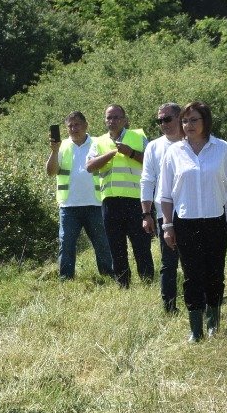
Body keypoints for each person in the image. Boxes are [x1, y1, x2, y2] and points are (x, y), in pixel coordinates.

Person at [159, 102, 227, 341]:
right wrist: (167, 226)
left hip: (216, 222)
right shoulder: (173, 152)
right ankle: (195, 329)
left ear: (205, 121)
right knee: (191, 276)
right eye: (185, 121)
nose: (188, 125)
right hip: (185, 223)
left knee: (215, 274)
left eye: (194, 120)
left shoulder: (222, 149)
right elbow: (165, 195)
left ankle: (213, 322)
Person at [87, 104, 153, 288]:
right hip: (110, 203)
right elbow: (89, 166)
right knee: (116, 246)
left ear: (124, 120)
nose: (112, 121)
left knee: (141, 245)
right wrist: (110, 154)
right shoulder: (98, 142)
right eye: (109, 117)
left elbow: (151, 161)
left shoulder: (138, 137)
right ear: (104, 120)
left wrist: (130, 152)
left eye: (116, 117)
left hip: (136, 201)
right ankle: (123, 283)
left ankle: (147, 281)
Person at [45, 110, 115, 281]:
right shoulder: (61, 147)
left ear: (85, 125)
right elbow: (50, 172)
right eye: (70, 126)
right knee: (66, 244)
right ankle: (66, 279)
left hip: (96, 203)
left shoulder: (98, 143)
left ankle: (108, 275)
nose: (73, 128)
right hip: (69, 205)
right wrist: (54, 151)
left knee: (102, 243)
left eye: (77, 124)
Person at [140, 102, 186, 313]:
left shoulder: (192, 141)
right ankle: (169, 307)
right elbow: (147, 180)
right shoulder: (154, 147)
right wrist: (146, 213)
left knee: (193, 260)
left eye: (167, 119)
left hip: (193, 211)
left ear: (179, 118)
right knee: (168, 263)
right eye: (159, 121)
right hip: (165, 214)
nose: (163, 124)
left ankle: (198, 302)